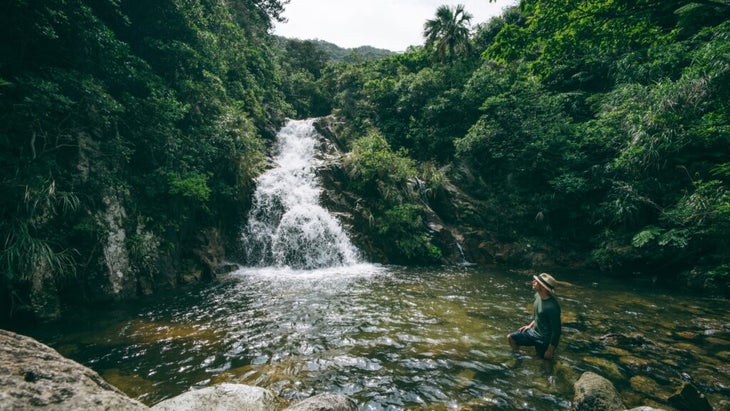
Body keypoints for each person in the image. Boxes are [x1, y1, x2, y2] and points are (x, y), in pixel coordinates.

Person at [507, 272, 562, 359]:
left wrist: (550, 350)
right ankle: (519, 356)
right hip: (533, 332)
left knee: (544, 362)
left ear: (543, 288)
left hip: (544, 340)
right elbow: (539, 315)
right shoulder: (537, 295)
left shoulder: (552, 307)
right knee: (511, 338)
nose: (533, 282)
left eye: (536, 282)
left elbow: (557, 331)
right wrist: (530, 325)